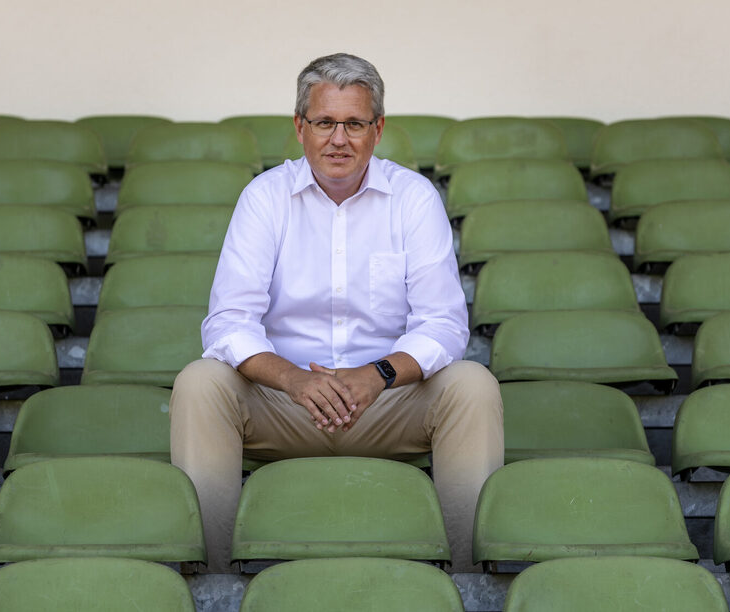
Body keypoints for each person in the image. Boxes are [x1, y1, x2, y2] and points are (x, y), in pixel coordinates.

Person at [169, 52, 503, 572]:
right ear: (300, 128)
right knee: (200, 382)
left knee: (471, 384)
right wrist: (295, 381)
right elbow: (227, 323)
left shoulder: (413, 199)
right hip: (286, 405)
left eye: (354, 123)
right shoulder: (265, 198)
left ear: (379, 129)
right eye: (325, 122)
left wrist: (378, 375)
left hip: (386, 403)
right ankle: (212, 579)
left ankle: (465, 579)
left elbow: (444, 324)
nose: (339, 138)